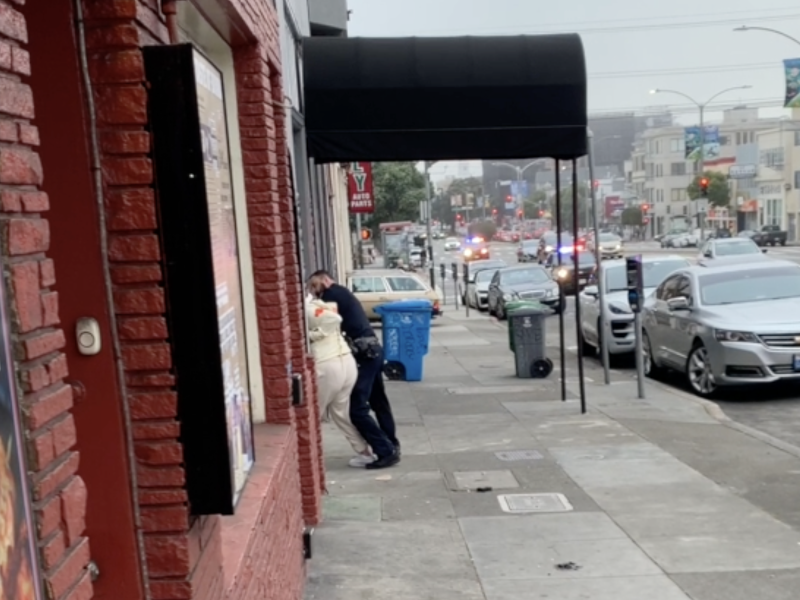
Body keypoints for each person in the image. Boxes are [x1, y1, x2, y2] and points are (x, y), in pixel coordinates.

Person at [307, 270, 400, 469]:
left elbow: (331, 320)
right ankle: (391, 443)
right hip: (373, 350)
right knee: (379, 402)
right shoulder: (343, 292)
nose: (314, 291)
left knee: (356, 408)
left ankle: (385, 450)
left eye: (315, 285)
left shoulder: (331, 295)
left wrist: (314, 333)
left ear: (325, 280)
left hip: (364, 354)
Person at [305, 297, 374, 468]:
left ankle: (309, 458)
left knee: (313, 413)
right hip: (345, 360)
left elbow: (334, 319)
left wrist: (311, 336)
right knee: (341, 413)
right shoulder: (323, 305)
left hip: (327, 364)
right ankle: (364, 451)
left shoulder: (308, 309)